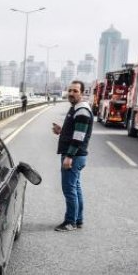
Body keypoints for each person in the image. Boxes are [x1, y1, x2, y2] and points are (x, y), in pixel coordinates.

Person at [51, 80, 93, 232]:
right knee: (75, 188)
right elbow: (75, 132)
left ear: (82, 93)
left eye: (75, 91)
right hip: (77, 155)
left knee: (69, 190)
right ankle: (78, 219)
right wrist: (61, 131)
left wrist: (69, 156)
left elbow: (79, 137)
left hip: (74, 156)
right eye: (70, 90)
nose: (71, 94)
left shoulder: (81, 110)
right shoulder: (75, 108)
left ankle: (70, 222)